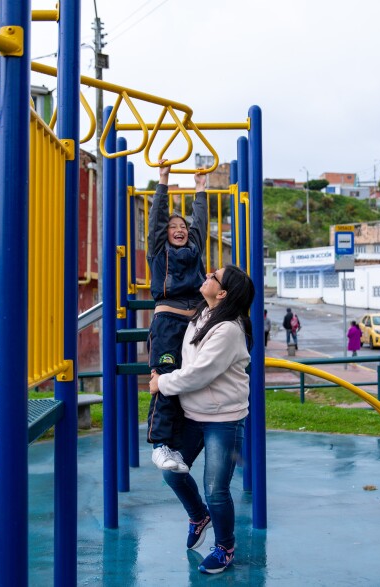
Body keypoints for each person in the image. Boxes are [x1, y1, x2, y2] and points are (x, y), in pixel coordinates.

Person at [149, 264, 255, 575]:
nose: (206, 275)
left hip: (224, 419)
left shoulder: (229, 330)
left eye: (213, 276)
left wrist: (162, 384)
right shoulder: (201, 316)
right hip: (194, 415)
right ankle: (198, 516)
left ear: (222, 293)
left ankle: (225, 547)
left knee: (216, 488)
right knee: (172, 471)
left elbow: (199, 373)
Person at [146, 160, 209, 473]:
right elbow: (157, 219)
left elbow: (199, 224)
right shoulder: (159, 251)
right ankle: (160, 446)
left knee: (192, 382)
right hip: (169, 323)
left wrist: (200, 189)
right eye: (174, 227)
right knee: (165, 379)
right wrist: (163, 180)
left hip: (196, 323)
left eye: (182, 226)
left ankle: (180, 448)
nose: (180, 229)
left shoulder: (194, 249)